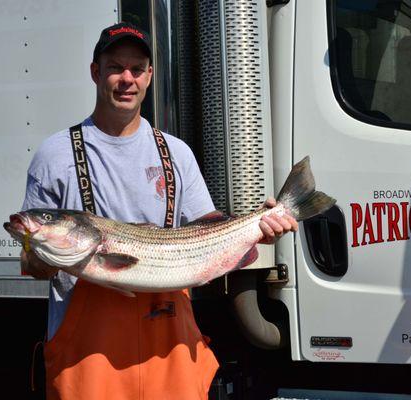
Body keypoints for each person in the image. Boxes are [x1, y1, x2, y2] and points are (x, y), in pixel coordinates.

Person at [20, 22, 297, 400]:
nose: (126, 79)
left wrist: (258, 228)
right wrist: (44, 255)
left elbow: (209, 229)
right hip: (89, 361)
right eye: (116, 67)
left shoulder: (176, 153)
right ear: (95, 72)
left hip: (169, 352)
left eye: (137, 69)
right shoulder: (55, 155)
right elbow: (31, 264)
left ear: (150, 76)